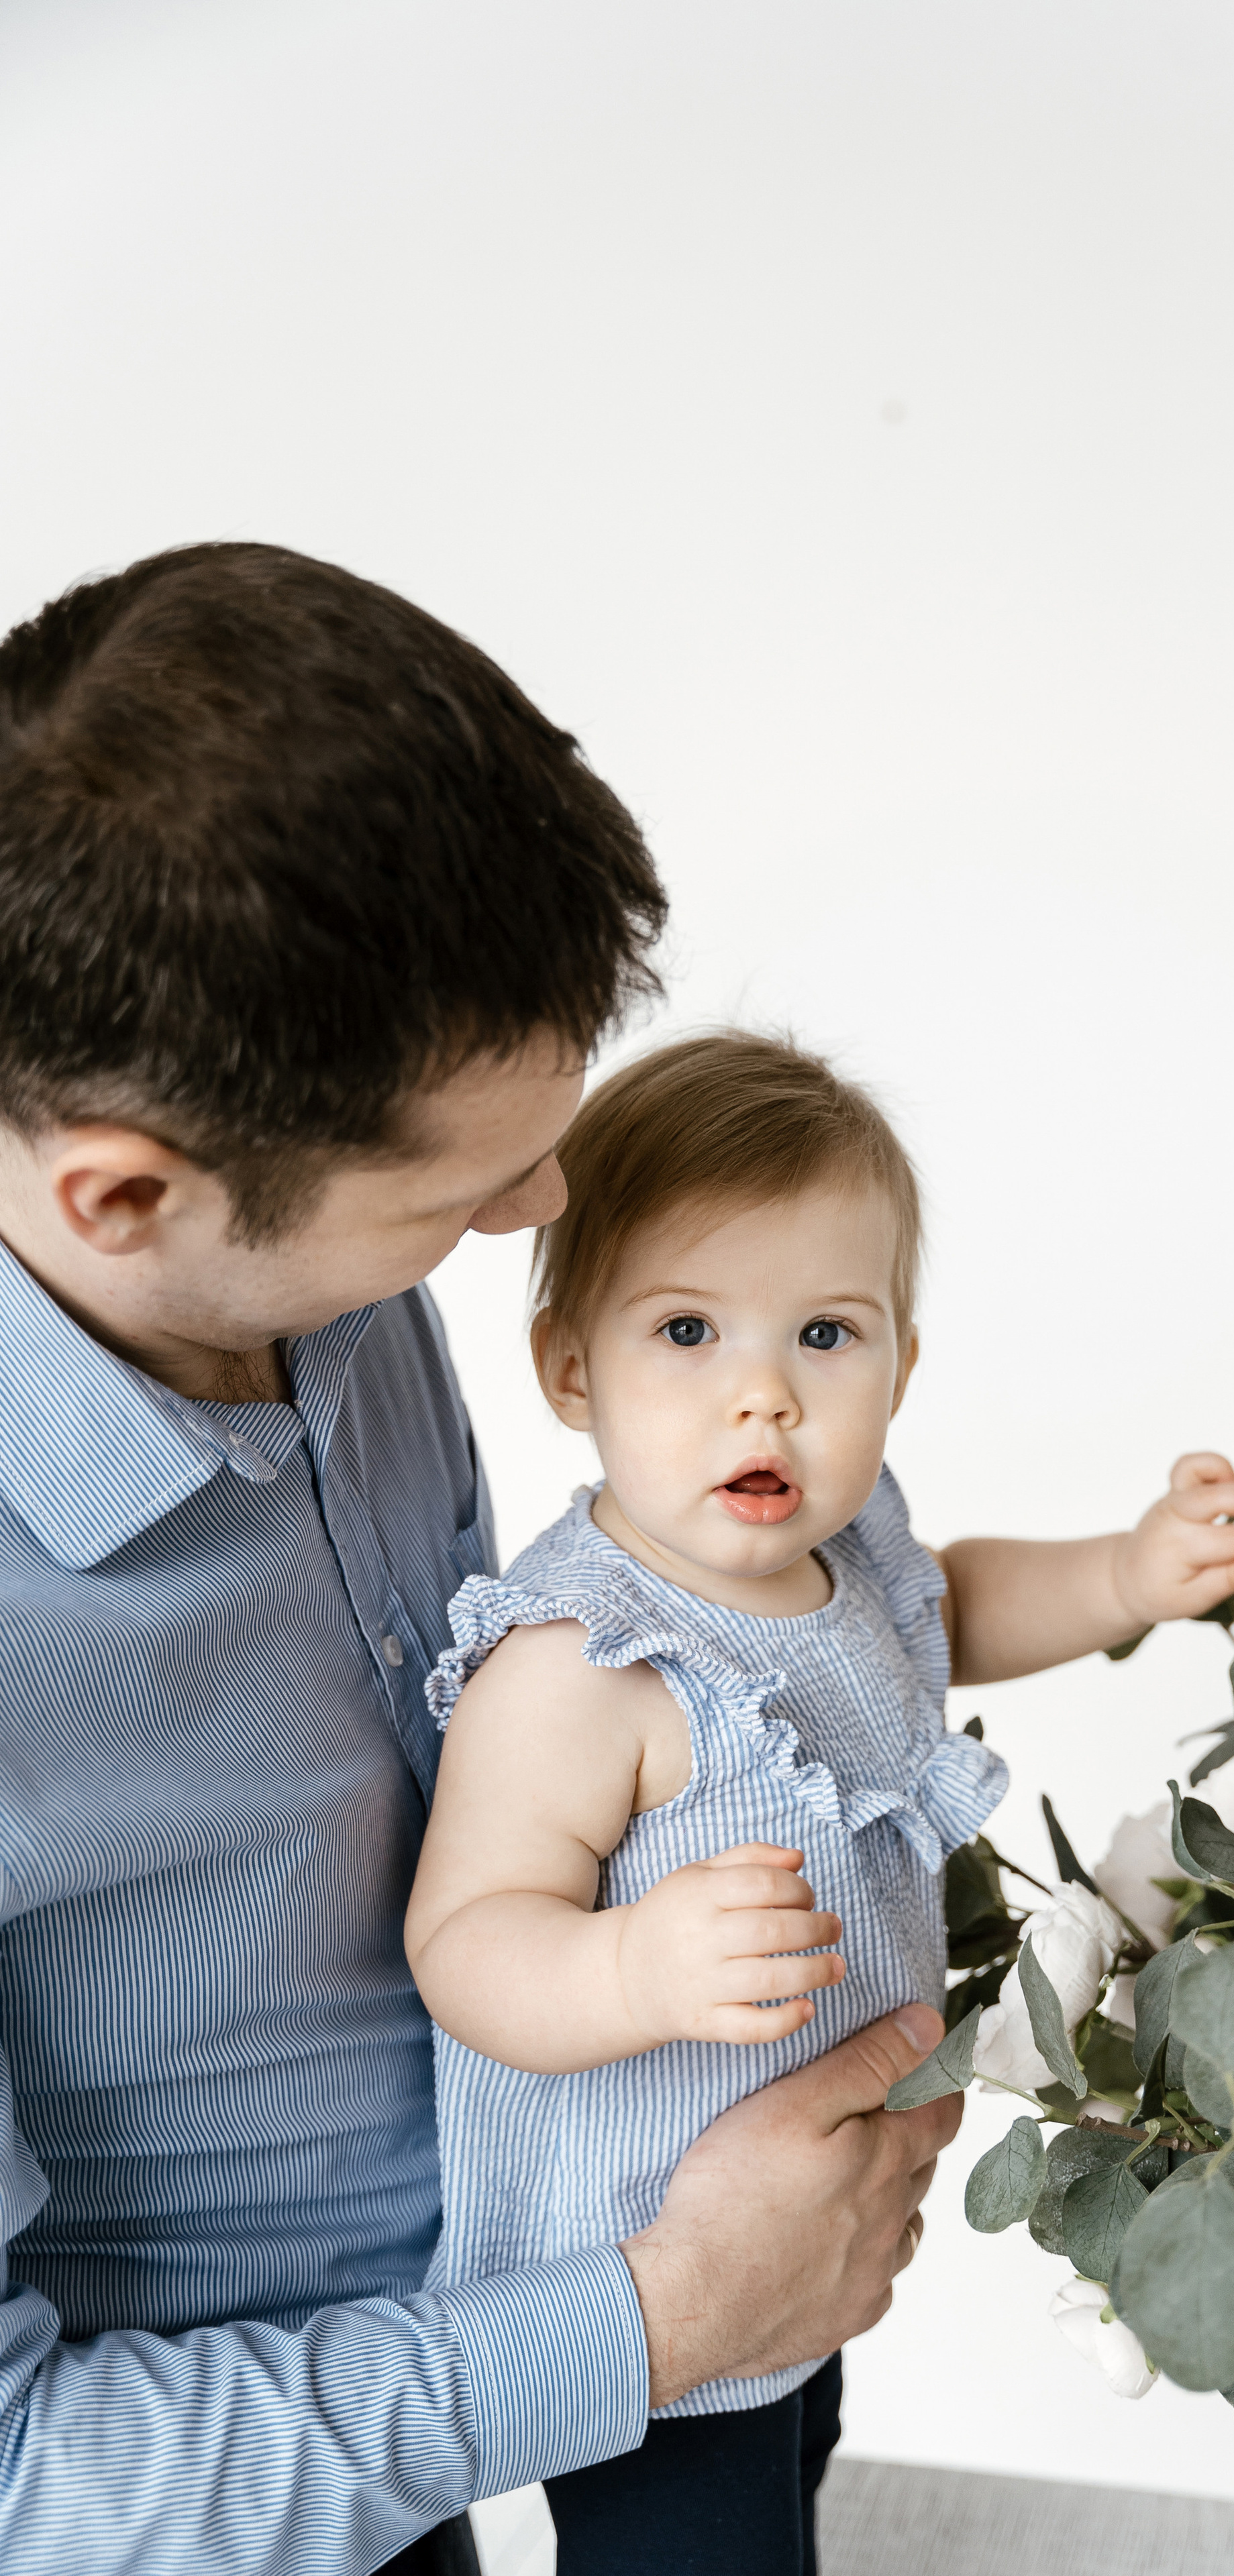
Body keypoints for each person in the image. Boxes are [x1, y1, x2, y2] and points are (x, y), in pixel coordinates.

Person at [0, 545, 962, 2575]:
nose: (546, 1210)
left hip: (470, 2423)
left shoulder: (318, 1296)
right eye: (463, 1194)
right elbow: (24, 2489)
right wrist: (665, 2317)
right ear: (123, 1198)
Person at [404, 1030, 1234, 2576]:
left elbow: (957, 1604)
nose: (763, 1397)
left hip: (807, 2234)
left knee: (791, 2478)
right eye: (686, 1330)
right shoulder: (578, 1663)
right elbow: (463, 1940)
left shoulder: (849, 1559)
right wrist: (628, 1966)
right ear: (568, 1367)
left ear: (900, 1366)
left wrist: (1127, 1575)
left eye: (823, 1334)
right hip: (646, 2275)